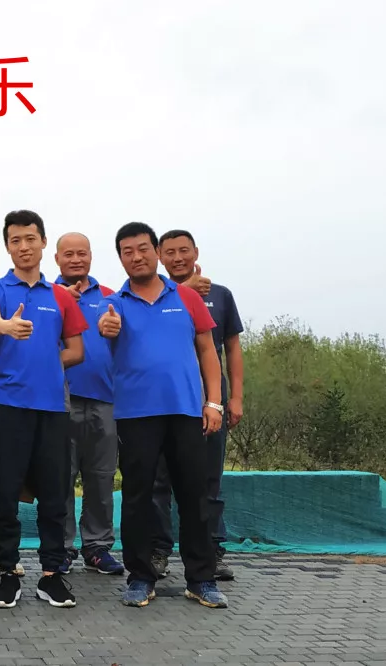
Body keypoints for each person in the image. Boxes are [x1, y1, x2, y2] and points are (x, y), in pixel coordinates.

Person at [97, 221, 228, 609]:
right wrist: (107, 328)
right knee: (137, 498)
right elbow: (104, 333)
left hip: (186, 411)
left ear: (156, 252)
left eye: (143, 249)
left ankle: (201, 579)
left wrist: (214, 402)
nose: (136, 257)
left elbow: (208, 350)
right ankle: (140, 577)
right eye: (127, 252)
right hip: (136, 415)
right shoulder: (113, 305)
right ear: (120, 259)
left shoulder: (186, 297)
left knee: (194, 495)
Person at [0, 210, 89, 609]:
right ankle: (8, 571)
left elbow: (77, 349)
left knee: (55, 494)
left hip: (52, 410)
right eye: (15, 241)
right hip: (5, 407)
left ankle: (52, 574)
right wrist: (6, 326)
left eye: (30, 239)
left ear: (43, 242)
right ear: (7, 247)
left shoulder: (60, 296)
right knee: (4, 493)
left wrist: (43, 362)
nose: (23, 247)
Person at [150, 230, 244, 581]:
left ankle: (211, 550)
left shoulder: (220, 295)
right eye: (170, 252)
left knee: (208, 479)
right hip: (163, 401)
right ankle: (158, 550)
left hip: (209, 401)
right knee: (158, 480)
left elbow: (231, 347)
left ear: (196, 252)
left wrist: (234, 398)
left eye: (184, 251)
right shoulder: (149, 295)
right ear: (159, 256)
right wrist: (185, 290)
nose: (177, 258)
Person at [53, 232, 124, 575]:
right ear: (57, 259)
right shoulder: (46, 295)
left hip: (105, 399)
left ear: (91, 256)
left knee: (101, 476)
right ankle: (62, 547)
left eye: (82, 253)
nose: (76, 259)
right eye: (68, 254)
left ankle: (97, 546)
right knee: (60, 477)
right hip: (58, 400)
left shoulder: (112, 296)